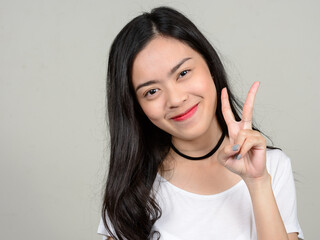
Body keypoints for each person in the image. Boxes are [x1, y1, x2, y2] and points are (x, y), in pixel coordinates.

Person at [97, 6, 304, 240]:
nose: (175, 99)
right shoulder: (133, 189)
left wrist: (257, 182)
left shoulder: (272, 168)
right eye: (152, 91)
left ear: (210, 66)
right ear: (136, 106)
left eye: (183, 73)